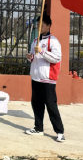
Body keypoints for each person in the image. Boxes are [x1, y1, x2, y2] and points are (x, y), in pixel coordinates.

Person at [25, 14, 65, 143]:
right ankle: (38, 128)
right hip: (36, 77)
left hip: (48, 79)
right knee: (36, 104)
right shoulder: (35, 41)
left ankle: (59, 132)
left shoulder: (53, 41)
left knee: (51, 105)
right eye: (38, 25)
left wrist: (42, 51)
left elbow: (56, 58)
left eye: (41, 25)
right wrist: (30, 57)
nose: (39, 27)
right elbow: (34, 58)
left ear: (48, 26)